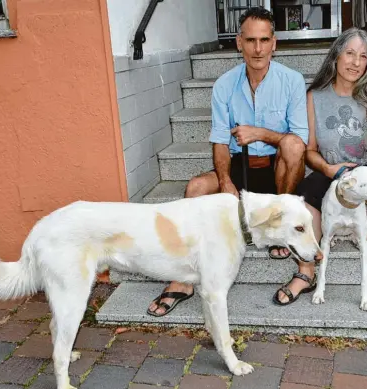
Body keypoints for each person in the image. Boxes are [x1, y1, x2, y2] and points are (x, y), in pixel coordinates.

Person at [147, 6, 309, 317]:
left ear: (274, 43)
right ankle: (183, 278)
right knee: (195, 188)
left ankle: (279, 223)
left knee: (291, 144)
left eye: (264, 40)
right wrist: (225, 181)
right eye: (250, 40)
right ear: (239, 43)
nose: (257, 49)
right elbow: (220, 142)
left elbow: (299, 141)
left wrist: (260, 133)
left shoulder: (292, 80)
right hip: (242, 167)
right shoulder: (224, 85)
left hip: (281, 171)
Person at [273, 27, 367, 306]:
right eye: (350, 53)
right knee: (304, 197)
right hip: (332, 171)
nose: (355, 62)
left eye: (363, 56)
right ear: (335, 57)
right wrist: (330, 170)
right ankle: (308, 268)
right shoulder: (315, 96)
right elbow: (310, 151)